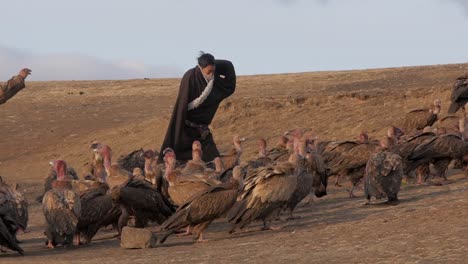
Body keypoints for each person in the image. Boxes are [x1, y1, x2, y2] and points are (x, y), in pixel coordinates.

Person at [157, 53, 236, 164]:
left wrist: (211, 62)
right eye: (209, 71)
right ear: (200, 67)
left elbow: (228, 69)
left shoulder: (215, 82)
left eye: (214, 71)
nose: (212, 74)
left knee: (215, 162)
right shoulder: (190, 77)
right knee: (181, 163)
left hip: (203, 133)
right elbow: (182, 106)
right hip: (186, 131)